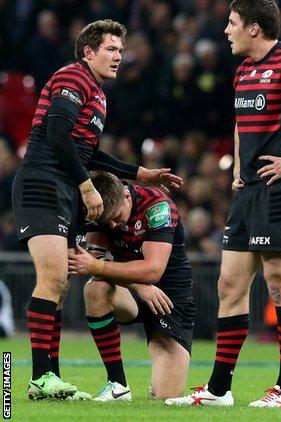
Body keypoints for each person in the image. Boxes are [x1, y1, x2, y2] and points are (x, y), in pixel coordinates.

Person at [12, 19, 182, 401]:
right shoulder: (74, 77)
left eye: (121, 50)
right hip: (43, 182)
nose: (119, 56)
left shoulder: (98, 94)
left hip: (63, 187)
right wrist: (87, 186)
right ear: (88, 52)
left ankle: (48, 380)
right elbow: (57, 133)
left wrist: (140, 173)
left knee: (61, 283)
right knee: (53, 277)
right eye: (111, 49)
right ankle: (41, 376)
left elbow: (87, 152)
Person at [165, 0, 281, 409]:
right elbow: (240, 124)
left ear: (255, 29)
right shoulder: (242, 71)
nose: (226, 30)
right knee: (229, 285)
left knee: (280, 284)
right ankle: (219, 390)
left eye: (232, 23)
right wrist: (238, 170)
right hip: (248, 194)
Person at [68, 171, 196, 401]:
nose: (113, 224)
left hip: (169, 297)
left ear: (126, 196)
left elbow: (153, 270)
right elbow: (98, 261)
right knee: (95, 289)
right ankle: (117, 384)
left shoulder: (157, 207)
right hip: (132, 290)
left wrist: (98, 267)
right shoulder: (96, 211)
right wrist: (139, 287)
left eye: (116, 217)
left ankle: (159, 379)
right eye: (106, 221)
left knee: (166, 397)